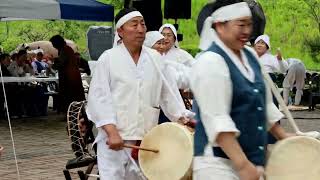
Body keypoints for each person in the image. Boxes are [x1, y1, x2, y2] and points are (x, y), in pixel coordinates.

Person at [86, 8, 193, 180]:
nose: (140, 29)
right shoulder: (108, 58)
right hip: (114, 141)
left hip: (145, 139)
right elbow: (99, 99)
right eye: (134, 24)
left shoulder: (155, 58)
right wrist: (111, 131)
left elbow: (168, 94)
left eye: (142, 24)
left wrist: (183, 118)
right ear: (120, 31)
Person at [190, 1, 292, 180]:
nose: (247, 31)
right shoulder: (210, 62)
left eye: (249, 24)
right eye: (241, 25)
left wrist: (285, 138)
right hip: (217, 165)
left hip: (250, 162)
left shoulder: (250, 56)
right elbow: (217, 119)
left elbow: (264, 105)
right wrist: (242, 164)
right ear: (220, 26)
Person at [50, 35, 85, 113]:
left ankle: (73, 115)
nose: (53, 46)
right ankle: (71, 113)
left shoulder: (65, 49)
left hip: (69, 78)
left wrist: (52, 65)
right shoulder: (66, 49)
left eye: (53, 44)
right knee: (72, 97)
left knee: (70, 97)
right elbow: (63, 60)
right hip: (71, 77)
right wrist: (55, 60)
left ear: (57, 43)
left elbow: (62, 63)